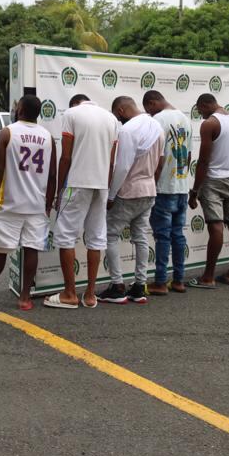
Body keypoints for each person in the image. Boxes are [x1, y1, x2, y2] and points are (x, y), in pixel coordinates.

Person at [0, 95, 57, 311]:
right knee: (31, 250)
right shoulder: (48, 137)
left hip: (9, 203)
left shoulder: (8, 132)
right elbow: (52, 174)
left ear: (20, 109)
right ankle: (24, 298)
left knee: (0, 250)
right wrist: (48, 204)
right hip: (36, 204)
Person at [44, 94, 119, 309]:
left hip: (77, 183)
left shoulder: (72, 114)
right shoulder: (111, 119)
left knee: (66, 237)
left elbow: (66, 157)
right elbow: (111, 162)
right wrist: (106, 188)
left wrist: (59, 190)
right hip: (101, 185)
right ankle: (90, 295)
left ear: (74, 104)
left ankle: (70, 294)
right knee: (96, 238)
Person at [98, 96, 164, 304]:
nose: (119, 121)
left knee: (111, 235)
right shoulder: (157, 126)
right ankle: (139, 286)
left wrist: (111, 195)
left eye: (118, 117)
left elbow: (123, 167)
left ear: (120, 110)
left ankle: (117, 285)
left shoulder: (128, 130)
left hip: (129, 191)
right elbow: (160, 161)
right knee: (141, 236)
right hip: (149, 189)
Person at [188, 94, 229, 288]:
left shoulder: (210, 124)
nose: (201, 115)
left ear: (205, 105)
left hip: (212, 180)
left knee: (216, 227)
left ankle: (208, 277)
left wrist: (195, 191)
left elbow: (203, 161)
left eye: (200, 111)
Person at [143, 90, 191, 295]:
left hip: (164, 187)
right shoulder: (185, 119)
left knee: (162, 236)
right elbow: (189, 156)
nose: (149, 113)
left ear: (152, 103)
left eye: (148, 109)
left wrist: (153, 185)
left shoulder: (158, 120)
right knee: (177, 234)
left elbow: (159, 159)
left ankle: (161, 282)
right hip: (182, 185)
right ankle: (178, 280)